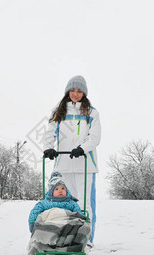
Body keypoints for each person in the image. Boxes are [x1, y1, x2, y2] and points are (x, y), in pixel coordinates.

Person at [42, 75, 101, 245]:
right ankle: (67, 238)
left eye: (79, 91)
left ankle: (86, 239)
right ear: (68, 91)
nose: (76, 94)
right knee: (65, 206)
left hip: (85, 165)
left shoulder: (92, 113)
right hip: (64, 164)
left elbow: (95, 137)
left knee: (85, 205)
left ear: (84, 93)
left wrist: (82, 148)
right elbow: (50, 132)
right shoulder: (59, 111)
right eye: (73, 90)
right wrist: (48, 147)